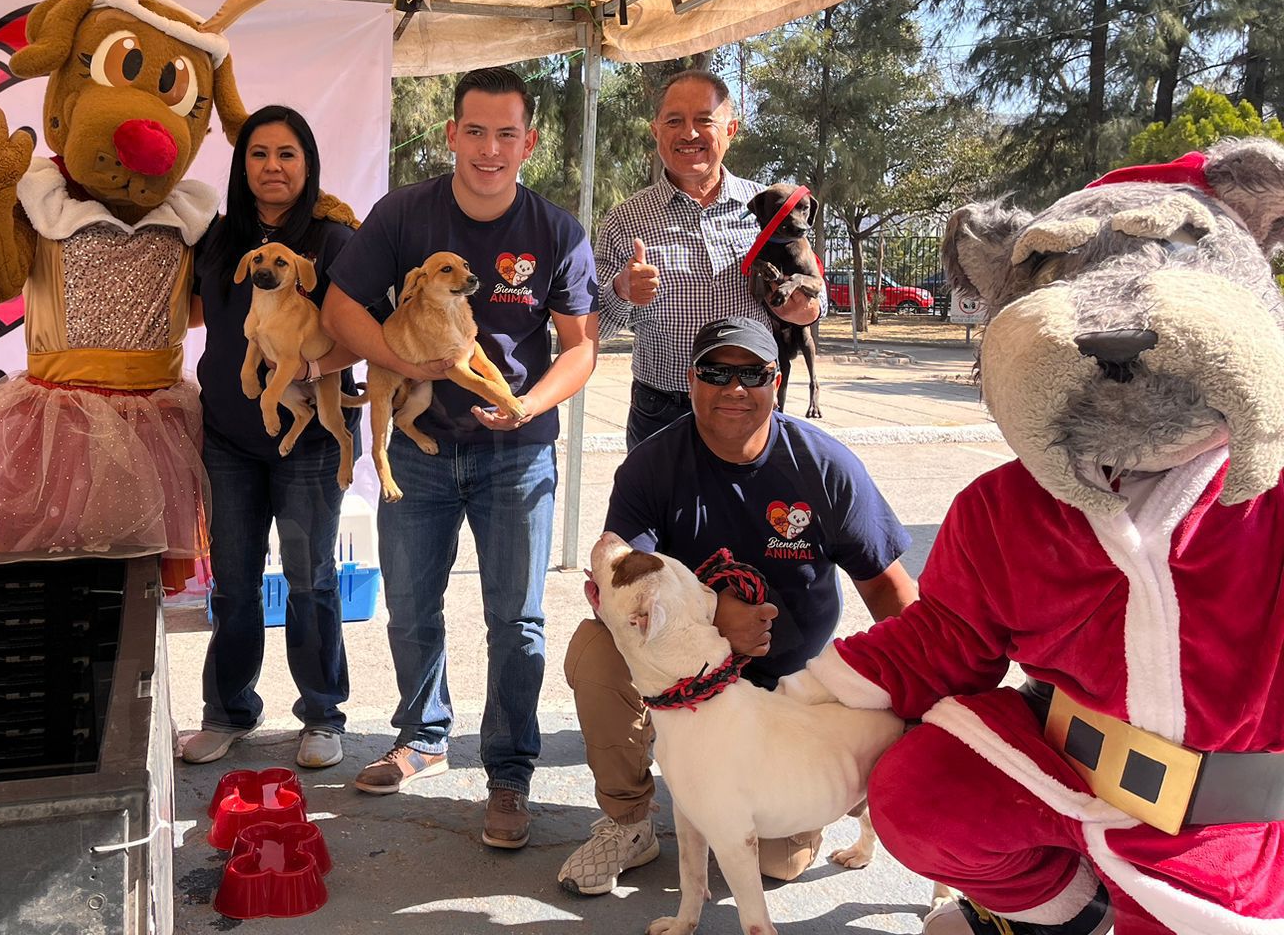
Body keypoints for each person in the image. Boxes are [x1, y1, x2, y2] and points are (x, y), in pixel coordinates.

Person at [321, 66, 599, 850]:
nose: (489, 148)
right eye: (474, 131)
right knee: (411, 607)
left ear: (529, 143)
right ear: (450, 135)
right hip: (420, 452)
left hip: (519, 458)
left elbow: (581, 347)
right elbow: (341, 304)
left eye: (506, 133)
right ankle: (422, 737)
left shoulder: (554, 231)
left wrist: (529, 405)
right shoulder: (405, 215)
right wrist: (401, 363)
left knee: (517, 622)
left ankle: (509, 774)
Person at [557, 315, 917, 896]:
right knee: (596, 650)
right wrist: (715, 616)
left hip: (786, 692)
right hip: (687, 676)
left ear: (777, 380)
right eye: (717, 373)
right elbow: (619, 584)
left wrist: (925, 687)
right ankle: (628, 823)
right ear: (690, 380)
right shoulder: (653, 464)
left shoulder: (824, 465)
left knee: (776, 862)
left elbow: (888, 590)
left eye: (752, 373)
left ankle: (806, 801)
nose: (735, 389)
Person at [181, 105, 363, 772]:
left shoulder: (337, 240)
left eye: (288, 154)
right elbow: (193, 314)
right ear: (242, 166)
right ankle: (227, 712)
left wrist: (311, 370)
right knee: (231, 582)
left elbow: (365, 332)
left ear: (307, 164)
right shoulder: (220, 239)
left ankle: (321, 713)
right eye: (260, 154)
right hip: (227, 438)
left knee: (310, 579)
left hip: (310, 439)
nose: (273, 167)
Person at [597, 69, 823, 449]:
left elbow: (817, 297)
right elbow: (597, 327)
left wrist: (805, 310)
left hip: (752, 404)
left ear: (731, 129)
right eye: (674, 121)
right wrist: (622, 291)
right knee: (660, 510)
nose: (688, 133)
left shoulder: (770, 209)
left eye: (704, 120)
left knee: (751, 510)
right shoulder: (625, 220)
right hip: (663, 411)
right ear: (656, 132)